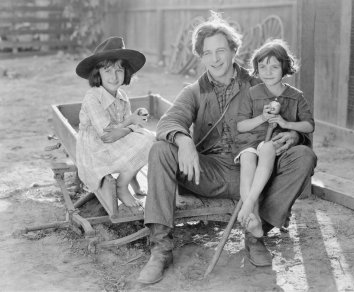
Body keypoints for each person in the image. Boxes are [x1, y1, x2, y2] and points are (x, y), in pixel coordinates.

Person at [137, 12, 316, 284]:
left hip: (256, 170)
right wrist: (183, 140)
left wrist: (293, 136)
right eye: (207, 53)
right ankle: (161, 248)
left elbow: (294, 117)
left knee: (304, 156)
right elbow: (170, 121)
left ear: (234, 50)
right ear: (201, 57)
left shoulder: (259, 83)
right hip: (207, 173)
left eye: (221, 50)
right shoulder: (193, 91)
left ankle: (256, 234)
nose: (215, 58)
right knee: (160, 149)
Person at [234, 39, 315, 239]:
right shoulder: (252, 94)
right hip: (251, 143)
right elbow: (240, 125)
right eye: (262, 66)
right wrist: (261, 118)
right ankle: (251, 216)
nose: (267, 72)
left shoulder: (295, 96)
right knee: (247, 159)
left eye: (274, 67)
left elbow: (309, 125)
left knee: (268, 147)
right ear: (256, 69)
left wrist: (286, 124)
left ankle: (248, 204)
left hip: (274, 147)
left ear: (284, 68)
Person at [75, 36, 155, 207]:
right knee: (145, 139)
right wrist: (131, 122)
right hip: (96, 148)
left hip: (114, 140)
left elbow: (127, 126)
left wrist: (135, 119)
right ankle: (121, 186)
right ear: (98, 73)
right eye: (108, 70)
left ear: (126, 72)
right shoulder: (92, 97)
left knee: (152, 138)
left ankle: (130, 175)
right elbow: (107, 135)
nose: (114, 76)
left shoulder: (122, 97)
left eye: (119, 70)